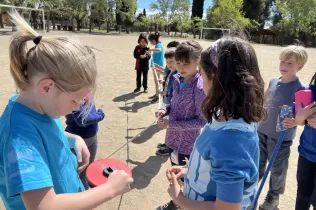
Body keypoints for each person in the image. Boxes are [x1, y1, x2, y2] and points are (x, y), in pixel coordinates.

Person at [0, 12, 133, 210]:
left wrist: (73, 138)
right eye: (75, 100)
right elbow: (43, 206)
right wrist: (109, 189)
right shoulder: (19, 137)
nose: (79, 107)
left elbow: (46, 135)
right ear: (47, 87)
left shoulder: (40, 108)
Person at [161, 37, 266, 210]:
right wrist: (190, 170)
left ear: (216, 81)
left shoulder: (232, 139)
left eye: (202, 75)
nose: (201, 84)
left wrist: (179, 199)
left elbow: (226, 208)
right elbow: (217, 163)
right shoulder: (226, 115)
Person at [156, 40, 206, 209]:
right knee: (175, 174)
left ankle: (184, 204)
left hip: (188, 145)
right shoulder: (177, 78)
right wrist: (164, 110)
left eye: (187, 63)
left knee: (189, 180)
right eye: (178, 63)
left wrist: (172, 124)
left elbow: (201, 121)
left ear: (198, 61)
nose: (181, 67)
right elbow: (173, 103)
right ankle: (177, 202)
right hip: (172, 141)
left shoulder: (200, 87)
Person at [257, 45, 307, 210]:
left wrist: (294, 121)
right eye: (282, 61)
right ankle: (249, 190)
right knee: (256, 164)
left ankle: (273, 196)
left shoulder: (302, 90)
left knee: (278, 169)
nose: (284, 66)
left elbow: (301, 117)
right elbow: (264, 102)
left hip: (280, 138)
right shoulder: (273, 81)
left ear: (300, 67)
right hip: (261, 131)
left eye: (290, 63)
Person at [65, 94, 105, 190]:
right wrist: (100, 114)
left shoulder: (86, 92)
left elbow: (89, 111)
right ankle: (81, 192)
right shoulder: (75, 97)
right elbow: (84, 120)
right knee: (78, 171)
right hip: (79, 139)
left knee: (89, 166)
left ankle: (85, 186)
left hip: (91, 136)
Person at [295, 72, 316, 210]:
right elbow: (298, 121)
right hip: (306, 153)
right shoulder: (309, 91)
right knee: (302, 194)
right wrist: (300, 116)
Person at [155, 47, 178, 156]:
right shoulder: (170, 71)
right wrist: (163, 82)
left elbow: (176, 93)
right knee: (167, 126)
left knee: (169, 126)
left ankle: (169, 146)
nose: (169, 64)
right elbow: (168, 82)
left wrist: (166, 93)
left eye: (171, 61)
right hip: (166, 103)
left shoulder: (178, 74)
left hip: (171, 105)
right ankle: (167, 143)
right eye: (167, 61)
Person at [148, 32, 165, 103]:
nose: (151, 43)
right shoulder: (157, 45)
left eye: (151, 41)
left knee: (157, 81)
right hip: (155, 65)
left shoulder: (159, 45)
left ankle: (158, 96)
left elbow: (159, 50)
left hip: (158, 66)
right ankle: (156, 94)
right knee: (156, 81)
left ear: (154, 40)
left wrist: (150, 50)